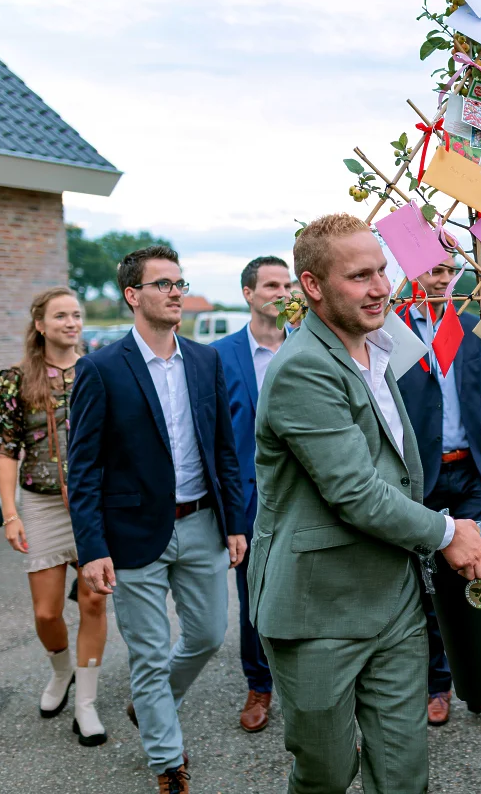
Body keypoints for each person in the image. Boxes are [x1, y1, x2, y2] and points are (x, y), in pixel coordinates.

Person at [246, 214, 481, 794]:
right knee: (326, 774)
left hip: (394, 604)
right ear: (312, 286)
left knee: (404, 774)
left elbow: (402, 469)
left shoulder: (381, 350)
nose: (381, 286)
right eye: (359, 276)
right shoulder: (303, 367)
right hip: (317, 610)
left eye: (382, 270)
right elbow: (355, 492)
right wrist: (447, 532)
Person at [67, 246, 246, 794]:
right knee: (147, 652)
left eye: (179, 282)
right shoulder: (100, 368)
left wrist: (235, 521)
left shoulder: (205, 360)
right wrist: (93, 547)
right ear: (133, 295)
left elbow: (224, 449)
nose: (176, 291)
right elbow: (84, 468)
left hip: (201, 524)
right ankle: (168, 764)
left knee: (210, 634)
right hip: (132, 532)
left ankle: (151, 704)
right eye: (163, 283)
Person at [396, 261, 481, 730]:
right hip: (419, 478)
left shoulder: (474, 326)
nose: (442, 277)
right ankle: (437, 686)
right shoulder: (393, 327)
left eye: (450, 268)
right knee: (430, 587)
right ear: (412, 271)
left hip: (471, 474)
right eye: (432, 268)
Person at [0, 287, 109, 746]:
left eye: (76, 315)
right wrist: (9, 515)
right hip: (40, 504)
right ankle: (62, 672)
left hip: (93, 503)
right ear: (40, 323)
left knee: (95, 601)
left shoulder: (99, 371)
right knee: (46, 611)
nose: (71, 322)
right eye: (61, 315)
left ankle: (87, 703)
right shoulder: (14, 379)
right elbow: (5, 451)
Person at [214, 256, 292, 733]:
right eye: (270, 285)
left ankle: (313, 681)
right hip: (250, 498)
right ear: (248, 293)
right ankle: (258, 684)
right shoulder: (218, 357)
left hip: (308, 493)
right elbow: (216, 439)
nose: (280, 293)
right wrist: (229, 518)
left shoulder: (307, 347)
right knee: (253, 598)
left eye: (286, 284)